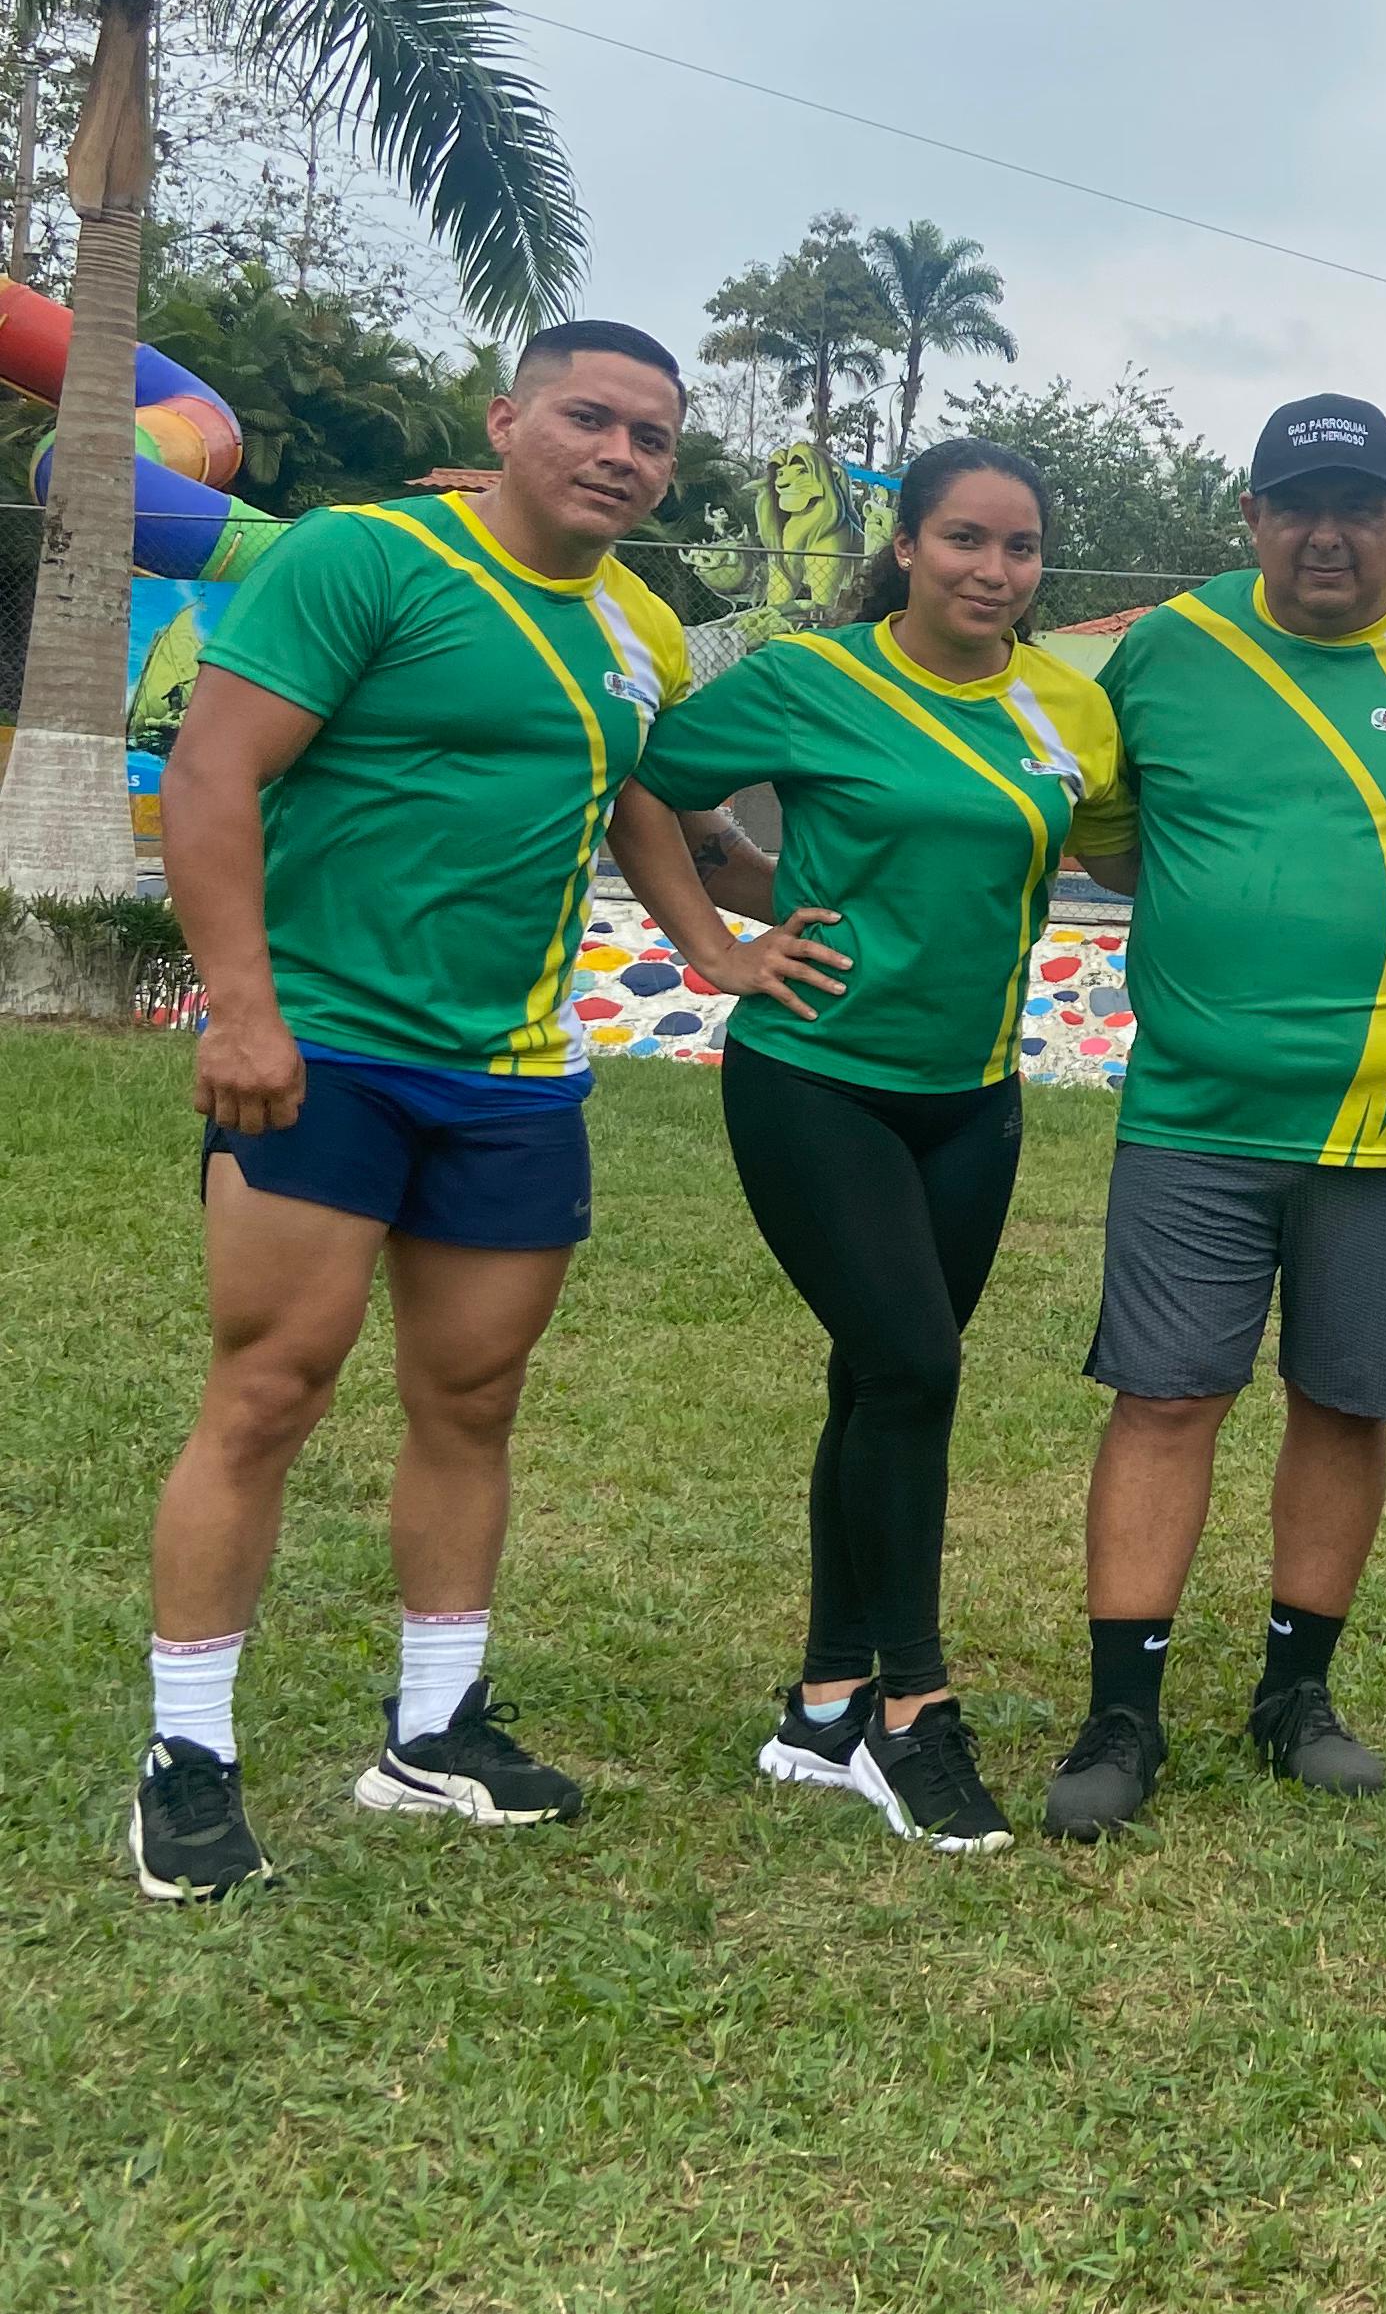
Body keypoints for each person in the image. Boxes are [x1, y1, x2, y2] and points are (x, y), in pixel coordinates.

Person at [131, 323, 699, 1901]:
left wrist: (716, 944)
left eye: (652, 438)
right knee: (269, 1390)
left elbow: (634, 793)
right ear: (507, 421)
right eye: (590, 417)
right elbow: (214, 774)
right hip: (327, 1050)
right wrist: (243, 1009)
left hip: (512, 1076)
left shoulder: (630, 628)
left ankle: (435, 1732)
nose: (619, 454)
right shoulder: (363, 558)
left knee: (474, 1400)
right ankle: (188, 1757)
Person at [611, 439, 1125, 1858]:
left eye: (1020, 547)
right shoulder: (810, 679)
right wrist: (720, 941)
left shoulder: (1067, 705)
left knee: (878, 1381)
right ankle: (913, 1709)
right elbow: (645, 788)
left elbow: (1121, 845)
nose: (994, 570)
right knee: (914, 1368)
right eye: (964, 539)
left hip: (973, 1096)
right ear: (905, 547)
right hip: (817, 1080)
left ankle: (824, 1705)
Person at [1040, 394, 1386, 1839]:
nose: (1328, 534)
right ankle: (1122, 1714)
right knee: (1165, 1397)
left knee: (1343, 1399)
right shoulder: (1167, 651)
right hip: (1194, 1110)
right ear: (1251, 516)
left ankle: (1294, 1694)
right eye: (1298, 506)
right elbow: (1117, 844)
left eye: (1359, 506)